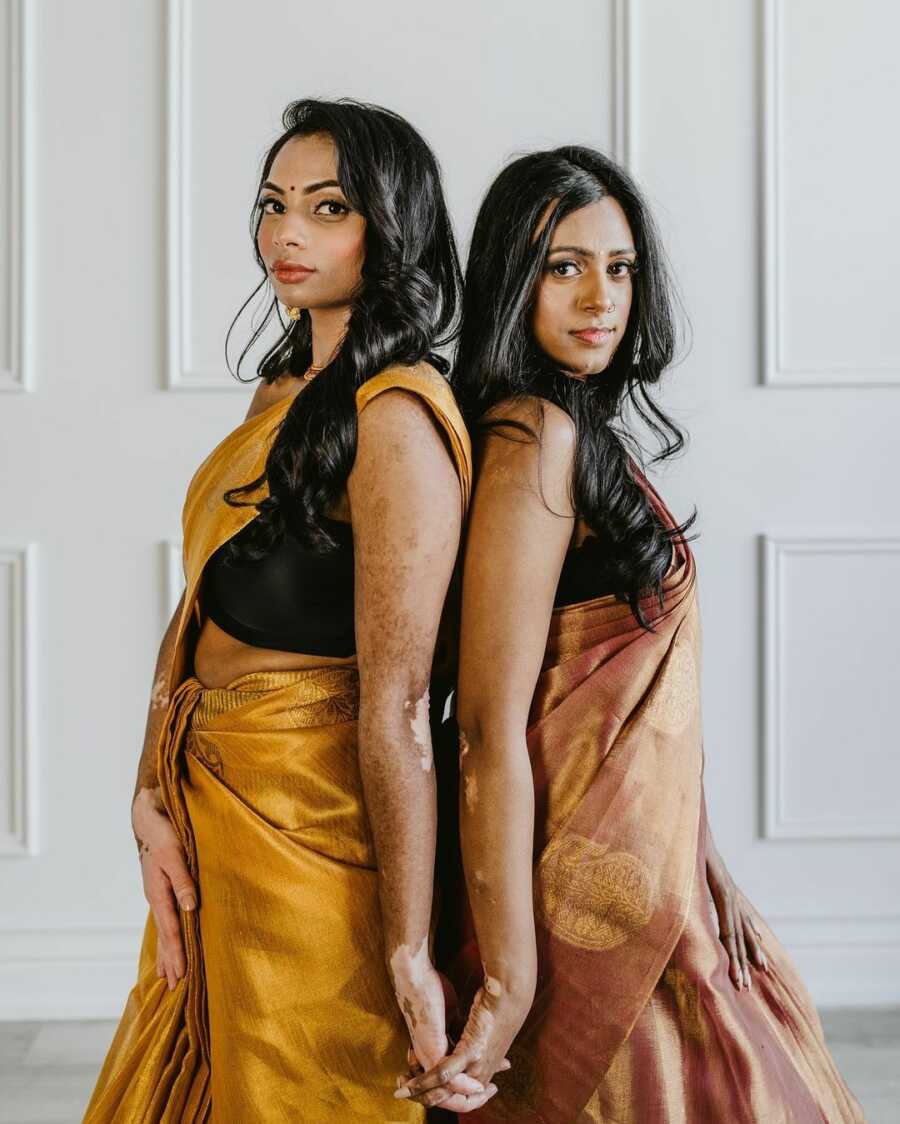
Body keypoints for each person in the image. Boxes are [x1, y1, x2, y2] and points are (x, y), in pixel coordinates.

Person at [398, 146, 865, 1122]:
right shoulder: (534, 437)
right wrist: (510, 987)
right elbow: (485, 725)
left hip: (645, 868)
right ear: (514, 280)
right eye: (563, 266)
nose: (598, 295)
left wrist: (705, 864)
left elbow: (649, 716)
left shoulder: (575, 430)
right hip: (578, 890)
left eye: (619, 266)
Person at [85, 98, 494, 1123]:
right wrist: (147, 790)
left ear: (389, 226)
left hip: (315, 834)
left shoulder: (395, 416)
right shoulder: (278, 393)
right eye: (274, 205)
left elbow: (402, 706)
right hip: (207, 806)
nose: (288, 234)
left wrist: (408, 942)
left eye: (328, 207)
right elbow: (199, 606)